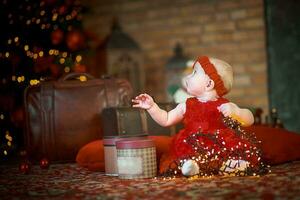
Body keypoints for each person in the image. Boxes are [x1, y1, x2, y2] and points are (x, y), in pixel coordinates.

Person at [132, 56, 266, 177]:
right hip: (193, 144)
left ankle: (230, 165)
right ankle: (192, 167)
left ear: (209, 84)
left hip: (219, 144)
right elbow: (166, 119)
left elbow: (250, 119)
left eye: (194, 72)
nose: (188, 77)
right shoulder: (186, 105)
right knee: (186, 158)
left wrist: (237, 112)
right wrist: (152, 107)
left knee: (230, 153)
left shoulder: (225, 105)